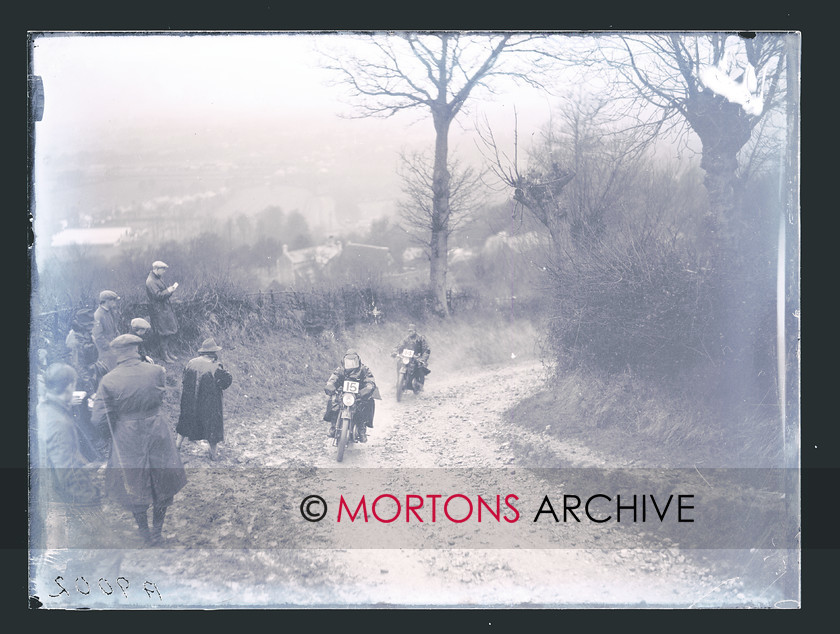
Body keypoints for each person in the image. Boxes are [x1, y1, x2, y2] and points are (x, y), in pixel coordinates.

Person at [33, 363, 123, 588]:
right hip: (68, 496)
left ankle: (47, 594)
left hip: (49, 491)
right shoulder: (59, 422)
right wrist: (92, 492)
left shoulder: (43, 409)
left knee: (55, 554)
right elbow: (67, 469)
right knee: (112, 550)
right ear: (69, 386)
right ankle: (103, 598)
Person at [99, 334, 187, 546]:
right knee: (162, 479)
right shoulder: (156, 371)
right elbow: (159, 397)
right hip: (157, 430)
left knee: (134, 482)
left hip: (127, 434)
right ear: (137, 349)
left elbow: (101, 417)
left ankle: (144, 533)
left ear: (117, 353)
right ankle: (157, 532)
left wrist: (109, 436)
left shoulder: (108, 379)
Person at [176, 337, 233, 460]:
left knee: (184, 422)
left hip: (189, 401)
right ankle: (213, 455)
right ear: (213, 353)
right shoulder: (216, 366)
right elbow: (226, 382)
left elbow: (184, 379)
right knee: (213, 427)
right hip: (210, 404)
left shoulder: (191, 362)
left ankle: (177, 447)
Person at [64, 308, 107, 461]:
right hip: (81, 381)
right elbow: (79, 367)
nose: (92, 326)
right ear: (83, 325)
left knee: (91, 408)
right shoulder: (75, 340)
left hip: (91, 376)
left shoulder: (85, 334)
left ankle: (97, 439)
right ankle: (92, 446)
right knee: (83, 411)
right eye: (89, 324)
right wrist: (90, 390)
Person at [323, 348, 380, 442]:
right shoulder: (341, 370)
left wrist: (368, 387)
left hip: (358, 395)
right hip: (343, 394)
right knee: (333, 402)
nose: (351, 364)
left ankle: (362, 429)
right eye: (348, 362)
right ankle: (333, 426)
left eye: (354, 361)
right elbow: (334, 378)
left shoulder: (364, 369)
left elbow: (369, 379)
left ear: (358, 360)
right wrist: (330, 385)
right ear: (344, 361)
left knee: (367, 403)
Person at [145, 261, 180, 363]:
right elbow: (158, 296)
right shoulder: (151, 281)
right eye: (162, 269)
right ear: (156, 269)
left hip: (163, 309)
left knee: (167, 331)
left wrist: (169, 291)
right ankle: (164, 355)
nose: (164, 272)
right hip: (158, 311)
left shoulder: (156, 278)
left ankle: (168, 353)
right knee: (163, 333)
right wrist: (168, 291)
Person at [391, 323, 431, 390]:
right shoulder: (406, 339)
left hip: (418, 357)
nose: (410, 332)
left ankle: (420, 384)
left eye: (412, 331)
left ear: (415, 331)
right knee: (399, 363)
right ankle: (399, 381)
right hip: (408, 356)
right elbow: (400, 346)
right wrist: (395, 352)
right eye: (409, 331)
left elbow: (426, 349)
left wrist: (423, 359)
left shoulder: (421, 338)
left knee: (420, 367)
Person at [92, 290, 121, 376]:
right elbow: (98, 337)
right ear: (106, 301)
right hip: (106, 352)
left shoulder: (109, 312)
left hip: (113, 349)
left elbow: (114, 329)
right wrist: (110, 347)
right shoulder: (98, 315)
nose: (115, 303)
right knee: (110, 373)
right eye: (113, 300)